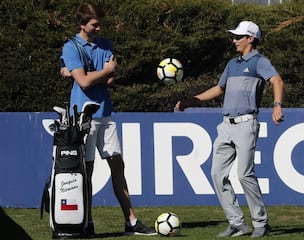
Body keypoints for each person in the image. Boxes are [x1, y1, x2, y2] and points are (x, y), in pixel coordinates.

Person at [176, 20, 284, 238]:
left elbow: (277, 81)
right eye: (234, 37)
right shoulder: (232, 64)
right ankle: (237, 223)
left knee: (244, 174)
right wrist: (192, 100)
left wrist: (277, 106)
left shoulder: (259, 62)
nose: (234, 40)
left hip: (246, 124)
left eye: (238, 37)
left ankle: (260, 223)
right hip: (226, 125)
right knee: (217, 173)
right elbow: (219, 88)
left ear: (250, 39)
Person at [60, 3, 156, 236]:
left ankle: (131, 222)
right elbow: (84, 82)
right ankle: (87, 222)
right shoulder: (71, 47)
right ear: (82, 24)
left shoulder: (106, 44)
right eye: (94, 25)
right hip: (83, 118)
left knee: (117, 166)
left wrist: (90, 74)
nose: (99, 28)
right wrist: (103, 71)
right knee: (88, 170)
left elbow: (107, 79)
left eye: (100, 24)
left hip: (105, 114)